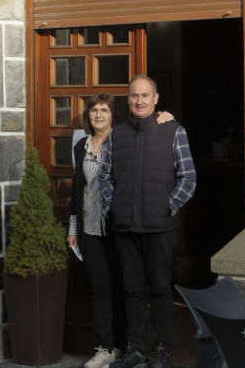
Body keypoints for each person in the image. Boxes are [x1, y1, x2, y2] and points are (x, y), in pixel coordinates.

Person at [68, 93, 174, 368]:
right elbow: (77, 190)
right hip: (90, 228)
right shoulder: (80, 146)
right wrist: (74, 228)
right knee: (100, 289)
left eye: (104, 110)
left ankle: (128, 344)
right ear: (88, 115)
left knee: (126, 288)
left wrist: (168, 118)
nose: (99, 115)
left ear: (113, 114)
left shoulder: (123, 138)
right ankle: (105, 347)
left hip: (119, 227)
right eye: (94, 110)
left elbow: (153, 132)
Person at [99, 74, 196, 368]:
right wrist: (112, 207)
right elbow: (104, 177)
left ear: (156, 99)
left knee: (160, 289)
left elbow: (188, 178)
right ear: (128, 101)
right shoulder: (116, 135)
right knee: (131, 289)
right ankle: (137, 349)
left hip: (159, 227)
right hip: (125, 226)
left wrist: (168, 207)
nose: (139, 101)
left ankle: (162, 349)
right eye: (134, 96)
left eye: (145, 96)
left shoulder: (174, 130)